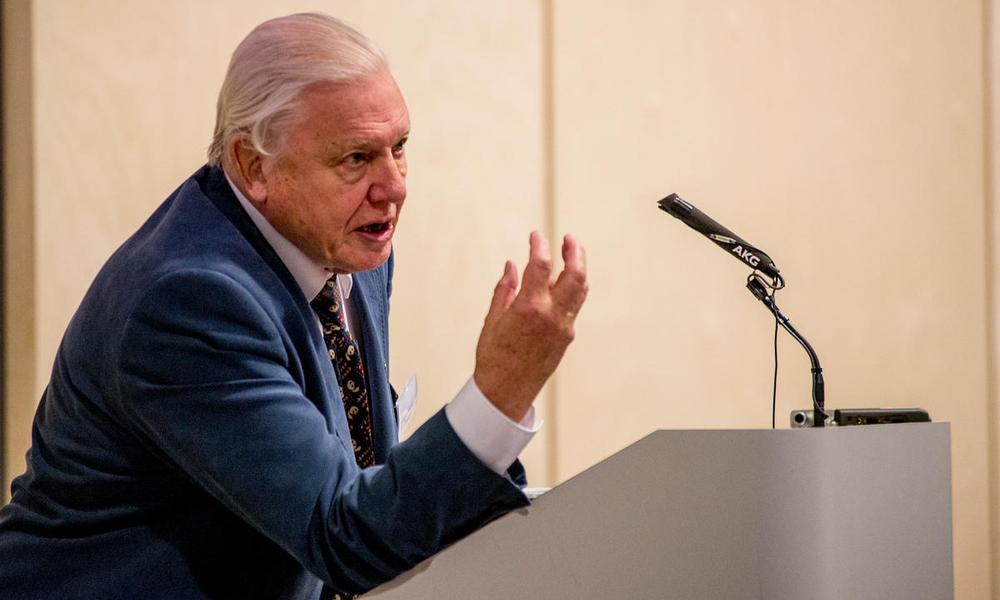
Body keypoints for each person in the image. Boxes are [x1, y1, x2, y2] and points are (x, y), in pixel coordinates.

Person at [0, 12, 588, 600]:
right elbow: (346, 538)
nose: (395, 185)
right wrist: (499, 393)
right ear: (255, 167)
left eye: (399, 147)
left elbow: (360, 484)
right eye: (356, 159)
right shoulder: (188, 303)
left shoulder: (352, 250)